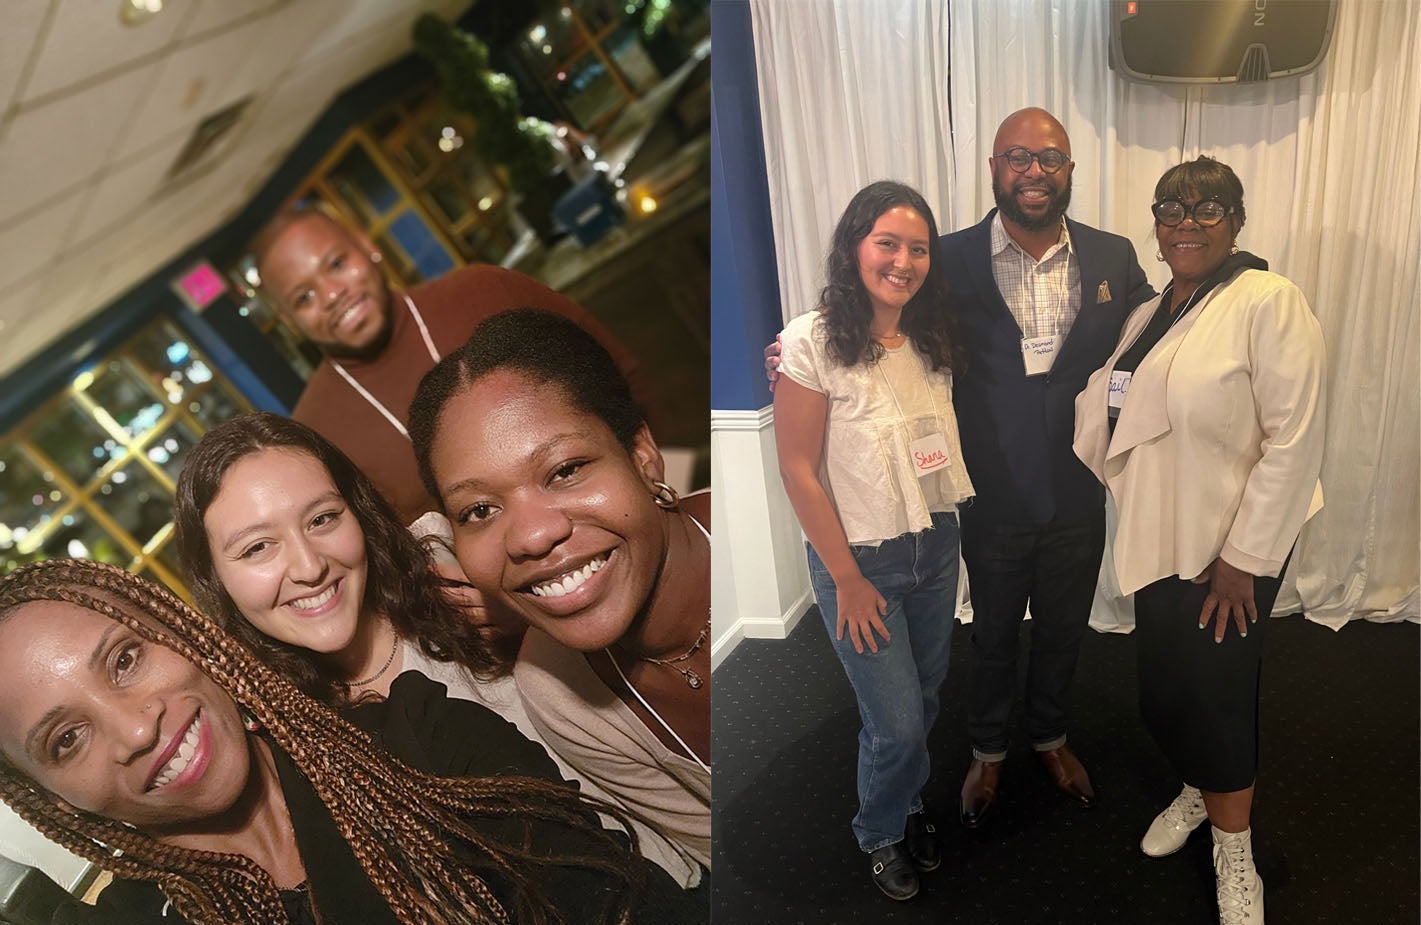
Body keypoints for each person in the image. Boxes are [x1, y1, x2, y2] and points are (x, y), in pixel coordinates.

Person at [767, 109, 1156, 827]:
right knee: (992, 632)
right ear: (993, 170)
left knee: (1065, 629)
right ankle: (985, 749)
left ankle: (1049, 735)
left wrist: (1229, 288)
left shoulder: (1113, 256)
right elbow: (868, 314)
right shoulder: (943, 258)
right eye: (1016, 155)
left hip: (1076, 486)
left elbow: (1157, 336)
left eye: (1049, 157)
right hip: (984, 493)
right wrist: (794, 351)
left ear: (1070, 170)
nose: (1033, 170)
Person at [0, 559, 704, 925]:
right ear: (48, 798)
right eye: (66, 739)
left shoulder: (417, 741)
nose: (136, 726)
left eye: (124, 660)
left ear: (181, 635)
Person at [1074, 156, 1325, 925]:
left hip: (1227, 552)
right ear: (1154, 224)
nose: (1185, 222)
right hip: (1159, 534)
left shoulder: (1267, 301)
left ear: (1236, 220)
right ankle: (1195, 788)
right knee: (1167, 691)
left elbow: (1294, 441)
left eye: (1206, 208)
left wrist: (1242, 562)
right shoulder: (1151, 310)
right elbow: (1114, 396)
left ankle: (1234, 846)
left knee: (1216, 701)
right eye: (1170, 209)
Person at [408, 309, 711, 891]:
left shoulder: (783, 540)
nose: (530, 535)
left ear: (643, 456)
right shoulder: (561, 698)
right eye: (480, 510)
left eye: (565, 470)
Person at [773, 181, 974, 901]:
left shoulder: (929, 337)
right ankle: (879, 830)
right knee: (893, 722)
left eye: (917, 248)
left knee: (921, 701)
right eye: (886, 243)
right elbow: (797, 470)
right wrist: (847, 581)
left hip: (933, 544)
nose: (902, 260)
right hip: (858, 563)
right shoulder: (809, 341)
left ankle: (908, 801)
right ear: (853, 246)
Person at [251, 205, 650, 525]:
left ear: (365, 244)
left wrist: (672, 501)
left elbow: (625, 382)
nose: (333, 293)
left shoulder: (484, 292)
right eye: (304, 298)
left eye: (336, 264)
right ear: (289, 323)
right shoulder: (315, 436)